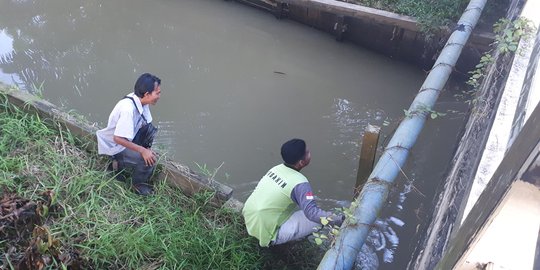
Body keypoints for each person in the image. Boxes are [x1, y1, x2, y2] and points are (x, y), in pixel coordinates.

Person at [242, 138, 344, 247]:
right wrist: (340, 220)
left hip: (250, 218)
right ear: (301, 162)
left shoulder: (275, 169)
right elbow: (312, 214)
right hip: (267, 233)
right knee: (319, 218)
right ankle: (281, 238)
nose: (310, 153)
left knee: (306, 208)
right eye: (308, 152)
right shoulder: (300, 183)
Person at [96, 73, 161, 195]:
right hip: (116, 145)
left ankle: (123, 162)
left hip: (126, 137)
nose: (159, 96)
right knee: (148, 161)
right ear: (147, 94)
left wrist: (147, 147)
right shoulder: (128, 110)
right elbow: (118, 139)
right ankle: (137, 185)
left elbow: (147, 123)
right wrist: (143, 151)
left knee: (150, 130)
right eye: (157, 93)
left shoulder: (141, 101)